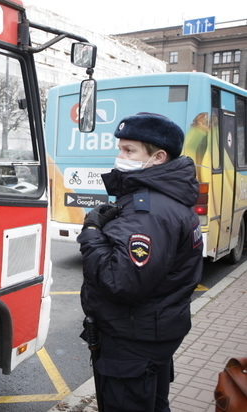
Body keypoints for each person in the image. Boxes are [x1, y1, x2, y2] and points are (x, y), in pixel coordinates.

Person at [77, 112, 203, 412]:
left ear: (158, 157)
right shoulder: (166, 200)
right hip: (153, 333)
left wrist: (91, 233)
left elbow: (121, 282)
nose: (119, 156)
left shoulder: (148, 211)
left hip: (133, 342)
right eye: (120, 148)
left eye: (129, 150)